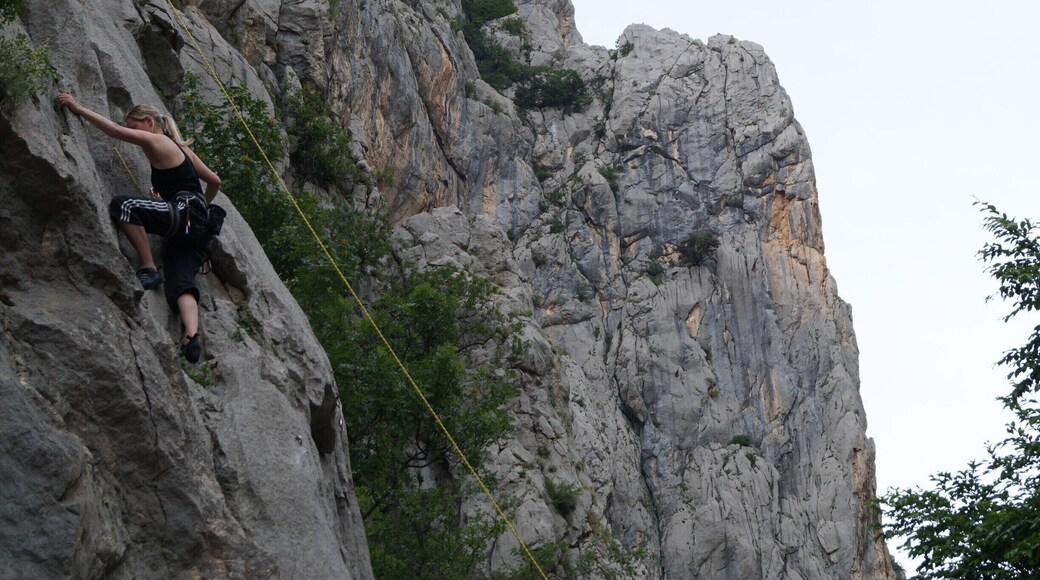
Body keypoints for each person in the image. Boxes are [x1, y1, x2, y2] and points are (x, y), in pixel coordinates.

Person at [56, 93, 222, 363]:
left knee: (124, 206)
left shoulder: (157, 139)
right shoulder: (185, 151)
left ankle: (148, 268)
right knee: (181, 283)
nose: (134, 133)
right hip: (198, 230)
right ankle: (191, 336)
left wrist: (78, 107)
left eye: (135, 126)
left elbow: (114, 131)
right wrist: (199, 205)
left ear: (148, 121)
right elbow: (215, 180)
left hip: (181, 215)